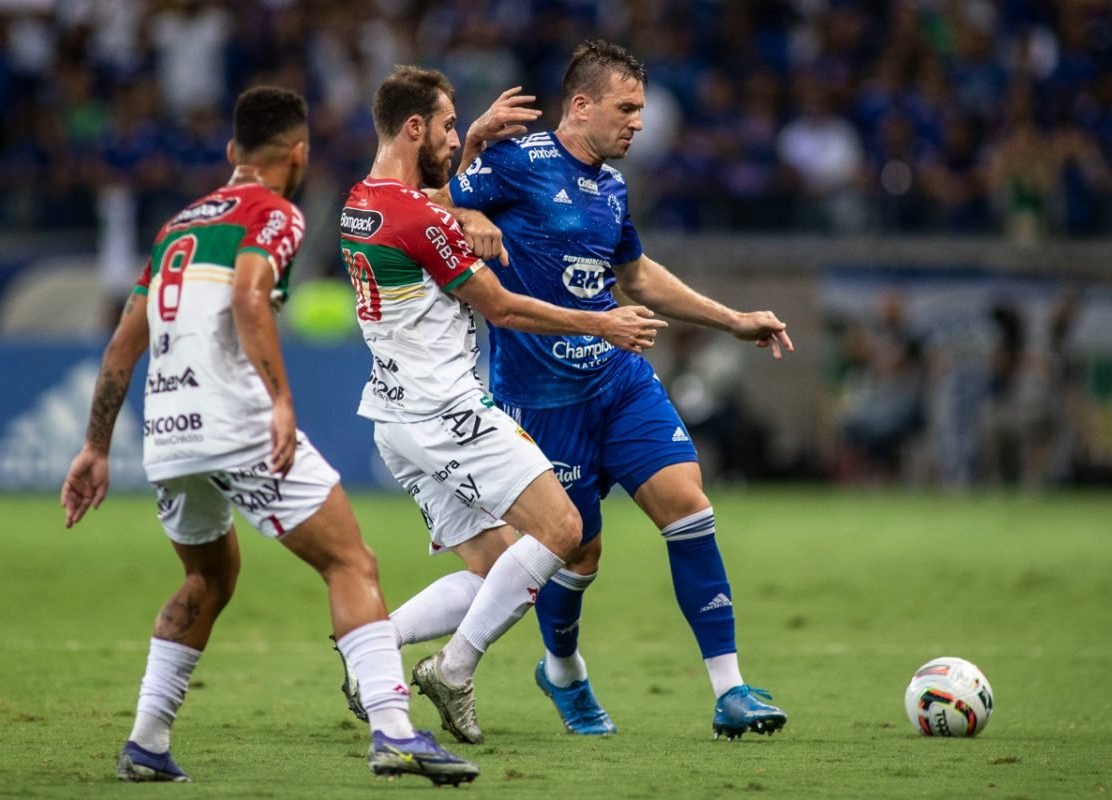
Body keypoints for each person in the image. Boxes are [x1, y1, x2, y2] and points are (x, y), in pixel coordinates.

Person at [59, 86, 479, 787]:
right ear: (299, 155)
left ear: (231, 153)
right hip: (235, 422)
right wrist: (282, 402)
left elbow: (121, 349)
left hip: (167, 431)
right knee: (351, 563)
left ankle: (146, 742)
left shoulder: (178, 226)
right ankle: (396, 732)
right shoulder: (274, 212)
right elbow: (250, 293)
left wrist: (96, 446)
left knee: (208, 577)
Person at [426, 40, 794, 741]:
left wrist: (731, 320)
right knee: (579, 554)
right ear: (582, 104)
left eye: (642, 109)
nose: (639, 123)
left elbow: (636, 277)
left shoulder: (612, 187)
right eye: (627, 108)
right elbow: (424, 209)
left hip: (618, 379)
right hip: (541, 399)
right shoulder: (516, 162)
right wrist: (465, 204)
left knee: (687, 504)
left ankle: (731, 689)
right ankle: (562, 671)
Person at [335, 65, 666, 746]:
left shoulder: (360, 202)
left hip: (393, 419)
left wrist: (474, 156)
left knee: (495, 571)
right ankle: (453, 669)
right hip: (448, 413)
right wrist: (602, 322)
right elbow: (504, 308)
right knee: (565, 532)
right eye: (451, 125)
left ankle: (371, 647)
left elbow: (431, 201)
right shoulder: (423, 218)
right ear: (415, 128)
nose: (462, 135)